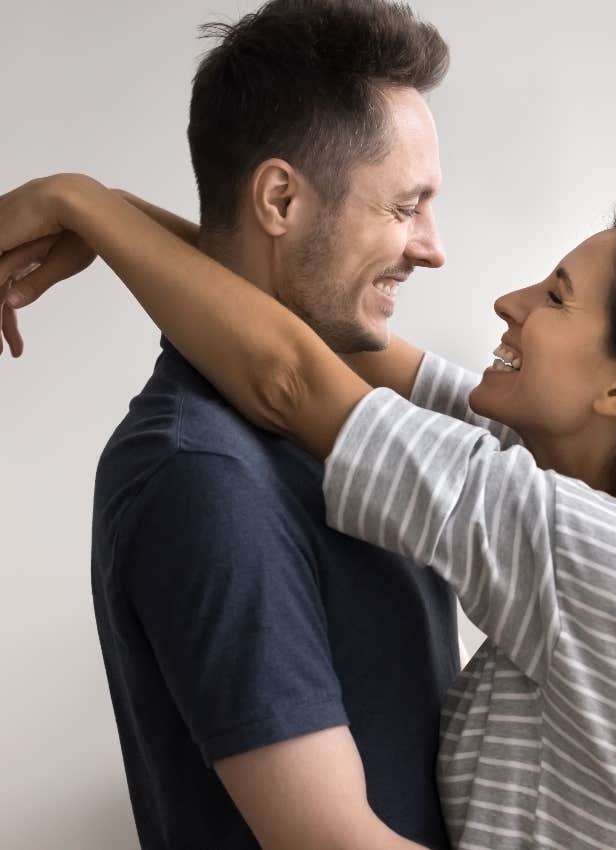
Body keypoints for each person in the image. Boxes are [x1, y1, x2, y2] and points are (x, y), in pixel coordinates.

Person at [4, 169, 616, 850]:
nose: (508, 302)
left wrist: (71, 198)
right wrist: (115, 218)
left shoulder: (596, 557)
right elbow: (335, 339)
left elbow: (295, 377)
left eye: (556, 297)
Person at [1, 2, 461, 849]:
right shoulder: (199, 473)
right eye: (406, 207)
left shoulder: (357, 424)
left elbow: (276, 343)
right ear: (280, 197)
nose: (433, 248)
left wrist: (98, 207)